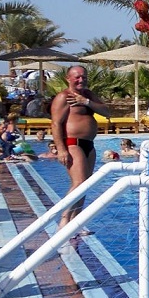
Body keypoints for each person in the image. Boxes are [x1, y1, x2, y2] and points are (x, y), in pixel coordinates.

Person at [51, 65, 110, 222]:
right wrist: (61, 149)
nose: (81, 80)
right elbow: (56, 124)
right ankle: (64, 220)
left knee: (86, 185)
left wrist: (86, 102)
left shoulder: (88, 95)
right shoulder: (64, 97)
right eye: (77, 77)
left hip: (88, 144)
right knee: (79, 183)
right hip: (72, 143)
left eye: (83, 77)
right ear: (68, 78)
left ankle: (75, 222)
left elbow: (106, 112)